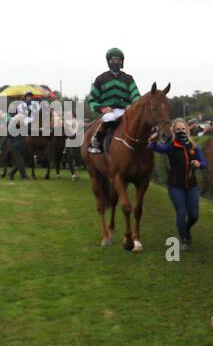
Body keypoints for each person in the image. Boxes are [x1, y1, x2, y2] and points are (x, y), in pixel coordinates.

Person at [151, 118, 206, 251]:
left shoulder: (193, 147)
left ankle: (185, 229)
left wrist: (199, 164)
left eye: (183, 129)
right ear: (174, 132)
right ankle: (185, 239)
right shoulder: (171, 146)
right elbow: (157, 148)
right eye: (178, 130)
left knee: (194, 215)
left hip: (192, 185)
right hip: (175, 185)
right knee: (181, 213)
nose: (181, 132)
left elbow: (204, 162)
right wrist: (153, 140)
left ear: (187, 130)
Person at [87, 47, 141, 154]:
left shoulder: (128, 78)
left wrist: (133, 106)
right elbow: (92, 100)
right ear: (108, 62)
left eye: (118, 60)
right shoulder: (100, 79)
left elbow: (136, 96)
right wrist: (102, 109)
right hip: (109, 111)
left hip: (125, 110)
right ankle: (96, 141)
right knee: (110, 118)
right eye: (113, 60)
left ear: (122, 62)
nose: (115, 63)